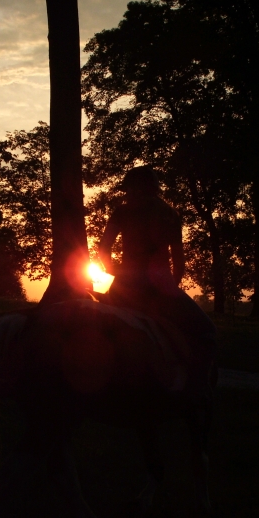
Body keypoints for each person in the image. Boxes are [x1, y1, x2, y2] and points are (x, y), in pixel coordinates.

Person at [98, 165, 216, 390]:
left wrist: (116, 271)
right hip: (161, 286)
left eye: (129, 189)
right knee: (206, 332)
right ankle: (196, 390)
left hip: (123, 288)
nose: (128, 194)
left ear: (134, 188)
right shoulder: (170, 214)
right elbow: (179, 262)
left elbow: (104, 249)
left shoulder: (122, 211)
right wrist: (171, 287)